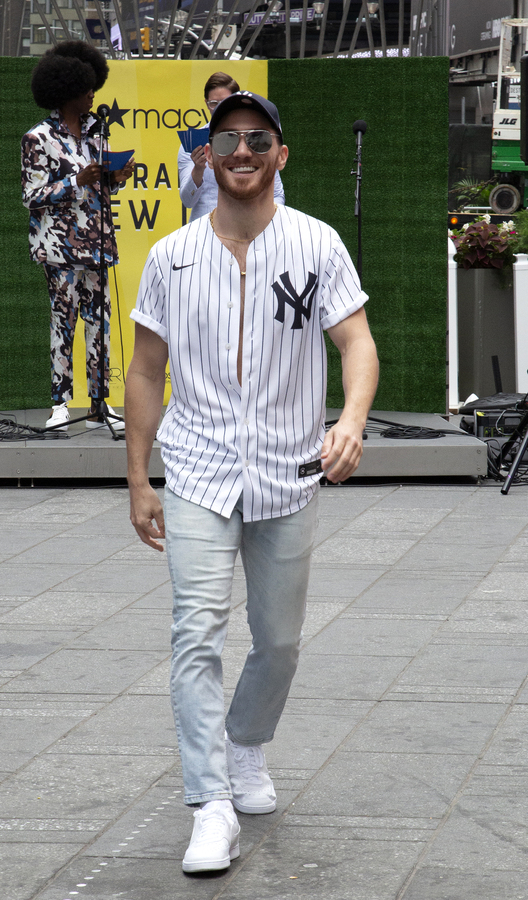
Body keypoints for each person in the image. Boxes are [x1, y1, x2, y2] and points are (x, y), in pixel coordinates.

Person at [124, 92, 379, 874]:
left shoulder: (317, 244)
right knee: (195, 631)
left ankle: (245, 746)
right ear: (208, 152)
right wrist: (138, 478)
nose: (242, 151)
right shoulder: (171, 256)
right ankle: (209, 804)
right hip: (198, 467)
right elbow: (143, 371)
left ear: (280, 154)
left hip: (289, 470)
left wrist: (352, 420)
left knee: (278, 640)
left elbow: (357, 343)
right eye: (227, 138)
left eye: (257, 139)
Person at [21, 40, 134, 432]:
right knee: (63, 324)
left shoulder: (95, 134)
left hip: (98, 247)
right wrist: (75, 180)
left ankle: (100, 405)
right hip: (59, 250)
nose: (92, 95)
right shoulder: (38, 138)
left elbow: (98, 190)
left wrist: (114, 180)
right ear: (67, 91)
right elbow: (31, 196)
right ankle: (60, 405)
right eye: (87, 89)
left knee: (99, 324)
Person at [178, 71, 285, 220]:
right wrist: (198, 169)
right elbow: (187, 200)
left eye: (224, 103)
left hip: (252, 227)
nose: (217, 108)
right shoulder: (191, 144)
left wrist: (268, 223)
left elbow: (277, 193)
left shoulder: (258, 140)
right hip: (206, 229)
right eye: (213, 103)